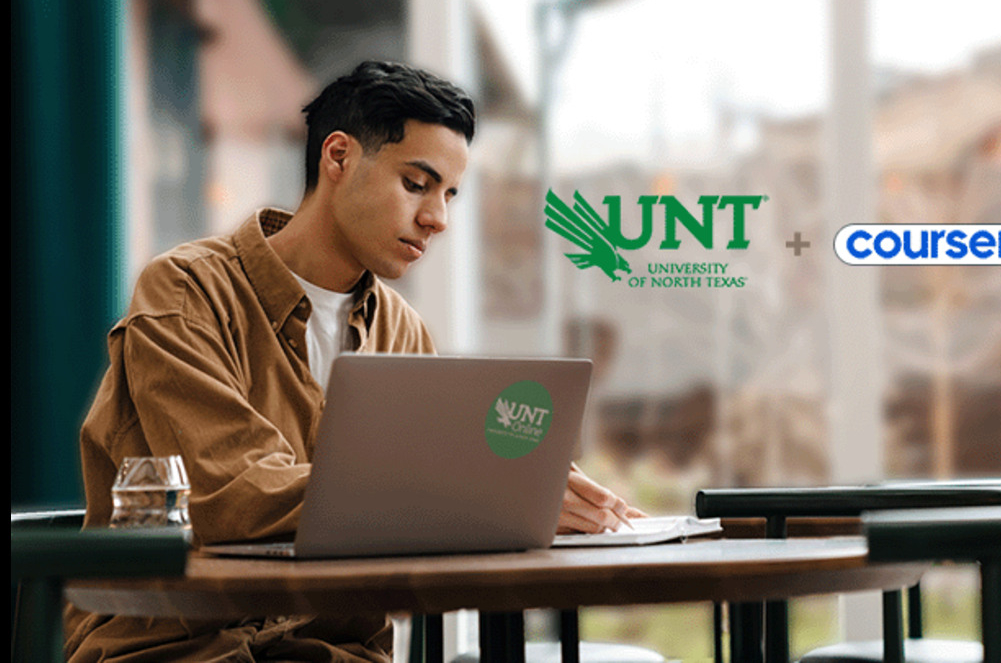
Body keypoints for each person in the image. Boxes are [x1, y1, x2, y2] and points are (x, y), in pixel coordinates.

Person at [66, 60, 641, 663]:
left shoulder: (401, 331)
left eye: (448, 194)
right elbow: (231, 495)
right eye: (416, 184)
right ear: (337, 158)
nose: (437, 219)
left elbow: (426, 507)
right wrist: (466, 493)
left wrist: (516, 496)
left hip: (331, 651)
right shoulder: (186, 293)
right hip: (177, 647)